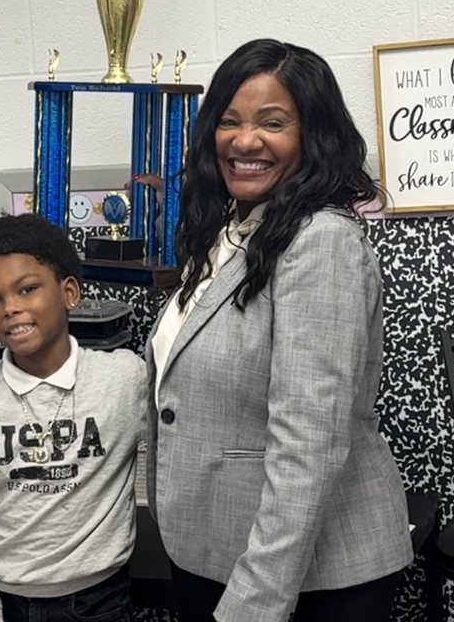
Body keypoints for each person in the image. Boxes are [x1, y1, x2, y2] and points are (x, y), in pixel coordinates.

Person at [146, 38, 413, 622]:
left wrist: (255, 602)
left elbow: (308, 444)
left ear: (312, 136)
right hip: (213, 549)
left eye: (273, 123)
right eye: (230, 121)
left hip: (300, 576)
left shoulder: (320, 241)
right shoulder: (231, 229)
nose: (245, 141)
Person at [0, 213, 146, 622]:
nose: (10, 309)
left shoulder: (124, 377)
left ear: (69, 293)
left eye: (27, 289)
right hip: (9, 603)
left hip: (103, 601)